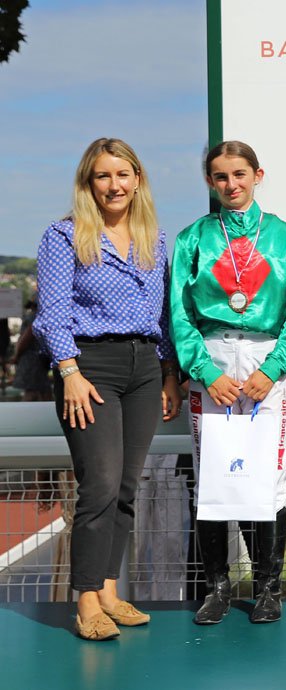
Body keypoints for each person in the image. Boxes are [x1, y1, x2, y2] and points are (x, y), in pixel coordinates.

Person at [33, 137, 183, 640]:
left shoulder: (154, 239)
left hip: (145, 367)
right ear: (88, 183)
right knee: (98, 484)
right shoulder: (64, 236)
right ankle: (86, 600)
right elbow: (52, 313)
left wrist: (168, 374)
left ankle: (111, 593)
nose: (114, 185)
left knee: (125, 487)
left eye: (122, 174)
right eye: (103, 175)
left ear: (137, 180)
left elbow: (164, 316)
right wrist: (69, 371)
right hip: (90, 366)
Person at [171, 141, 286, 624]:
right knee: (211, 475)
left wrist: (272, 369)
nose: (231, 184)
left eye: (239, 174)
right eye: (221, 176)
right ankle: (217, 587)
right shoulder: (192, 239)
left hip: (265, 362)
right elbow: (180, 313)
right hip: (211, 361)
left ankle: (268, 588)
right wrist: (205, 371)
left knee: (269, 477)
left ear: (257, 175)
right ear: (210, 182)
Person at [13, 298, 52, 401]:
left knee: (33, 391)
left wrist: (17, 355)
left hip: (32, 359)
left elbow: (25, 337)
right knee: (39, 391)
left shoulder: (34, 316)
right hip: (36, 358)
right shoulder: (40, 316)